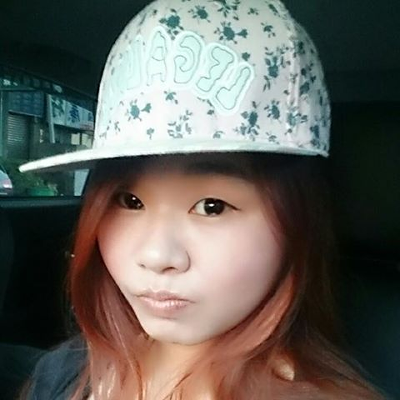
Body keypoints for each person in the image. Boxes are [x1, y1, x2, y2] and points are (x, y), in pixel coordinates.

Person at [18, 0, 388, 399]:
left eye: (212, 206)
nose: (156, 256)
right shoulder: (65, 372)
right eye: (129, 201)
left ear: (298, 222)